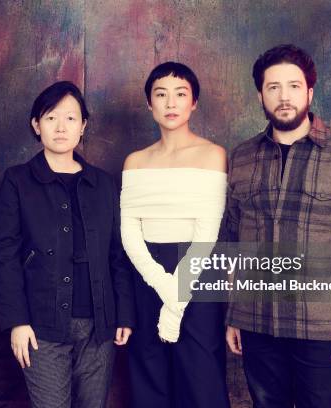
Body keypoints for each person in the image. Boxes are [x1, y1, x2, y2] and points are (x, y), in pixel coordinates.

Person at [225, 44, 331, 408]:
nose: (284, 97)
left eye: (294, 86)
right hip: (256, 322)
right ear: (260, 95)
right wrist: (233, 314)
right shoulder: (242, 156)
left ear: (310, 92)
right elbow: (233, 239)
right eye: (273, 87)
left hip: (320, 324)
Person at [0, 81, 135, 408]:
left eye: (70, 119)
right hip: (41, 325)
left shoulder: (103, 184)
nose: (60, 127)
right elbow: (3, 257)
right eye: (51, 117)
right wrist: (16, 321)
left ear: (82, 126)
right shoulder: (17, 181)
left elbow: (118, 254)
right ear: (36, 125)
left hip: (99, 325)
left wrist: (123, 314)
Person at [120, 62, 230, 408]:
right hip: (147, 273)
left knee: (199, 375)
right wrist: (162, 284)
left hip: (197, 270)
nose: (171, 103)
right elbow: (129, 232)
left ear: (193, 103)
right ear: (149, 104)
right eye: (161, 95)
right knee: (148, 372)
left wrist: (176, 299)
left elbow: (207, 232)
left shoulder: (213, 154)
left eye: (180, 94)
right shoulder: (135, 161)